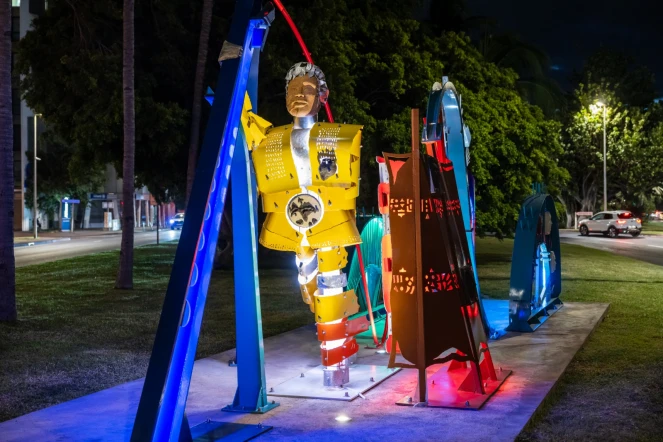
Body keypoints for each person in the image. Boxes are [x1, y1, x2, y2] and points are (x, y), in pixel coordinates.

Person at [242, 63, 363, 386]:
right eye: (293, 91)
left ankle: (335, 362)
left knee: (330, 284)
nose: (299, 97)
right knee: (308, 287)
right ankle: (342, 338)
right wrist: (235, 68)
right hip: (294, 223)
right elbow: (245, 118)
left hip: (329, 223)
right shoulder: (273, 138)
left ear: (323, 96)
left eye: (307, 90)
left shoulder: (334, 137)